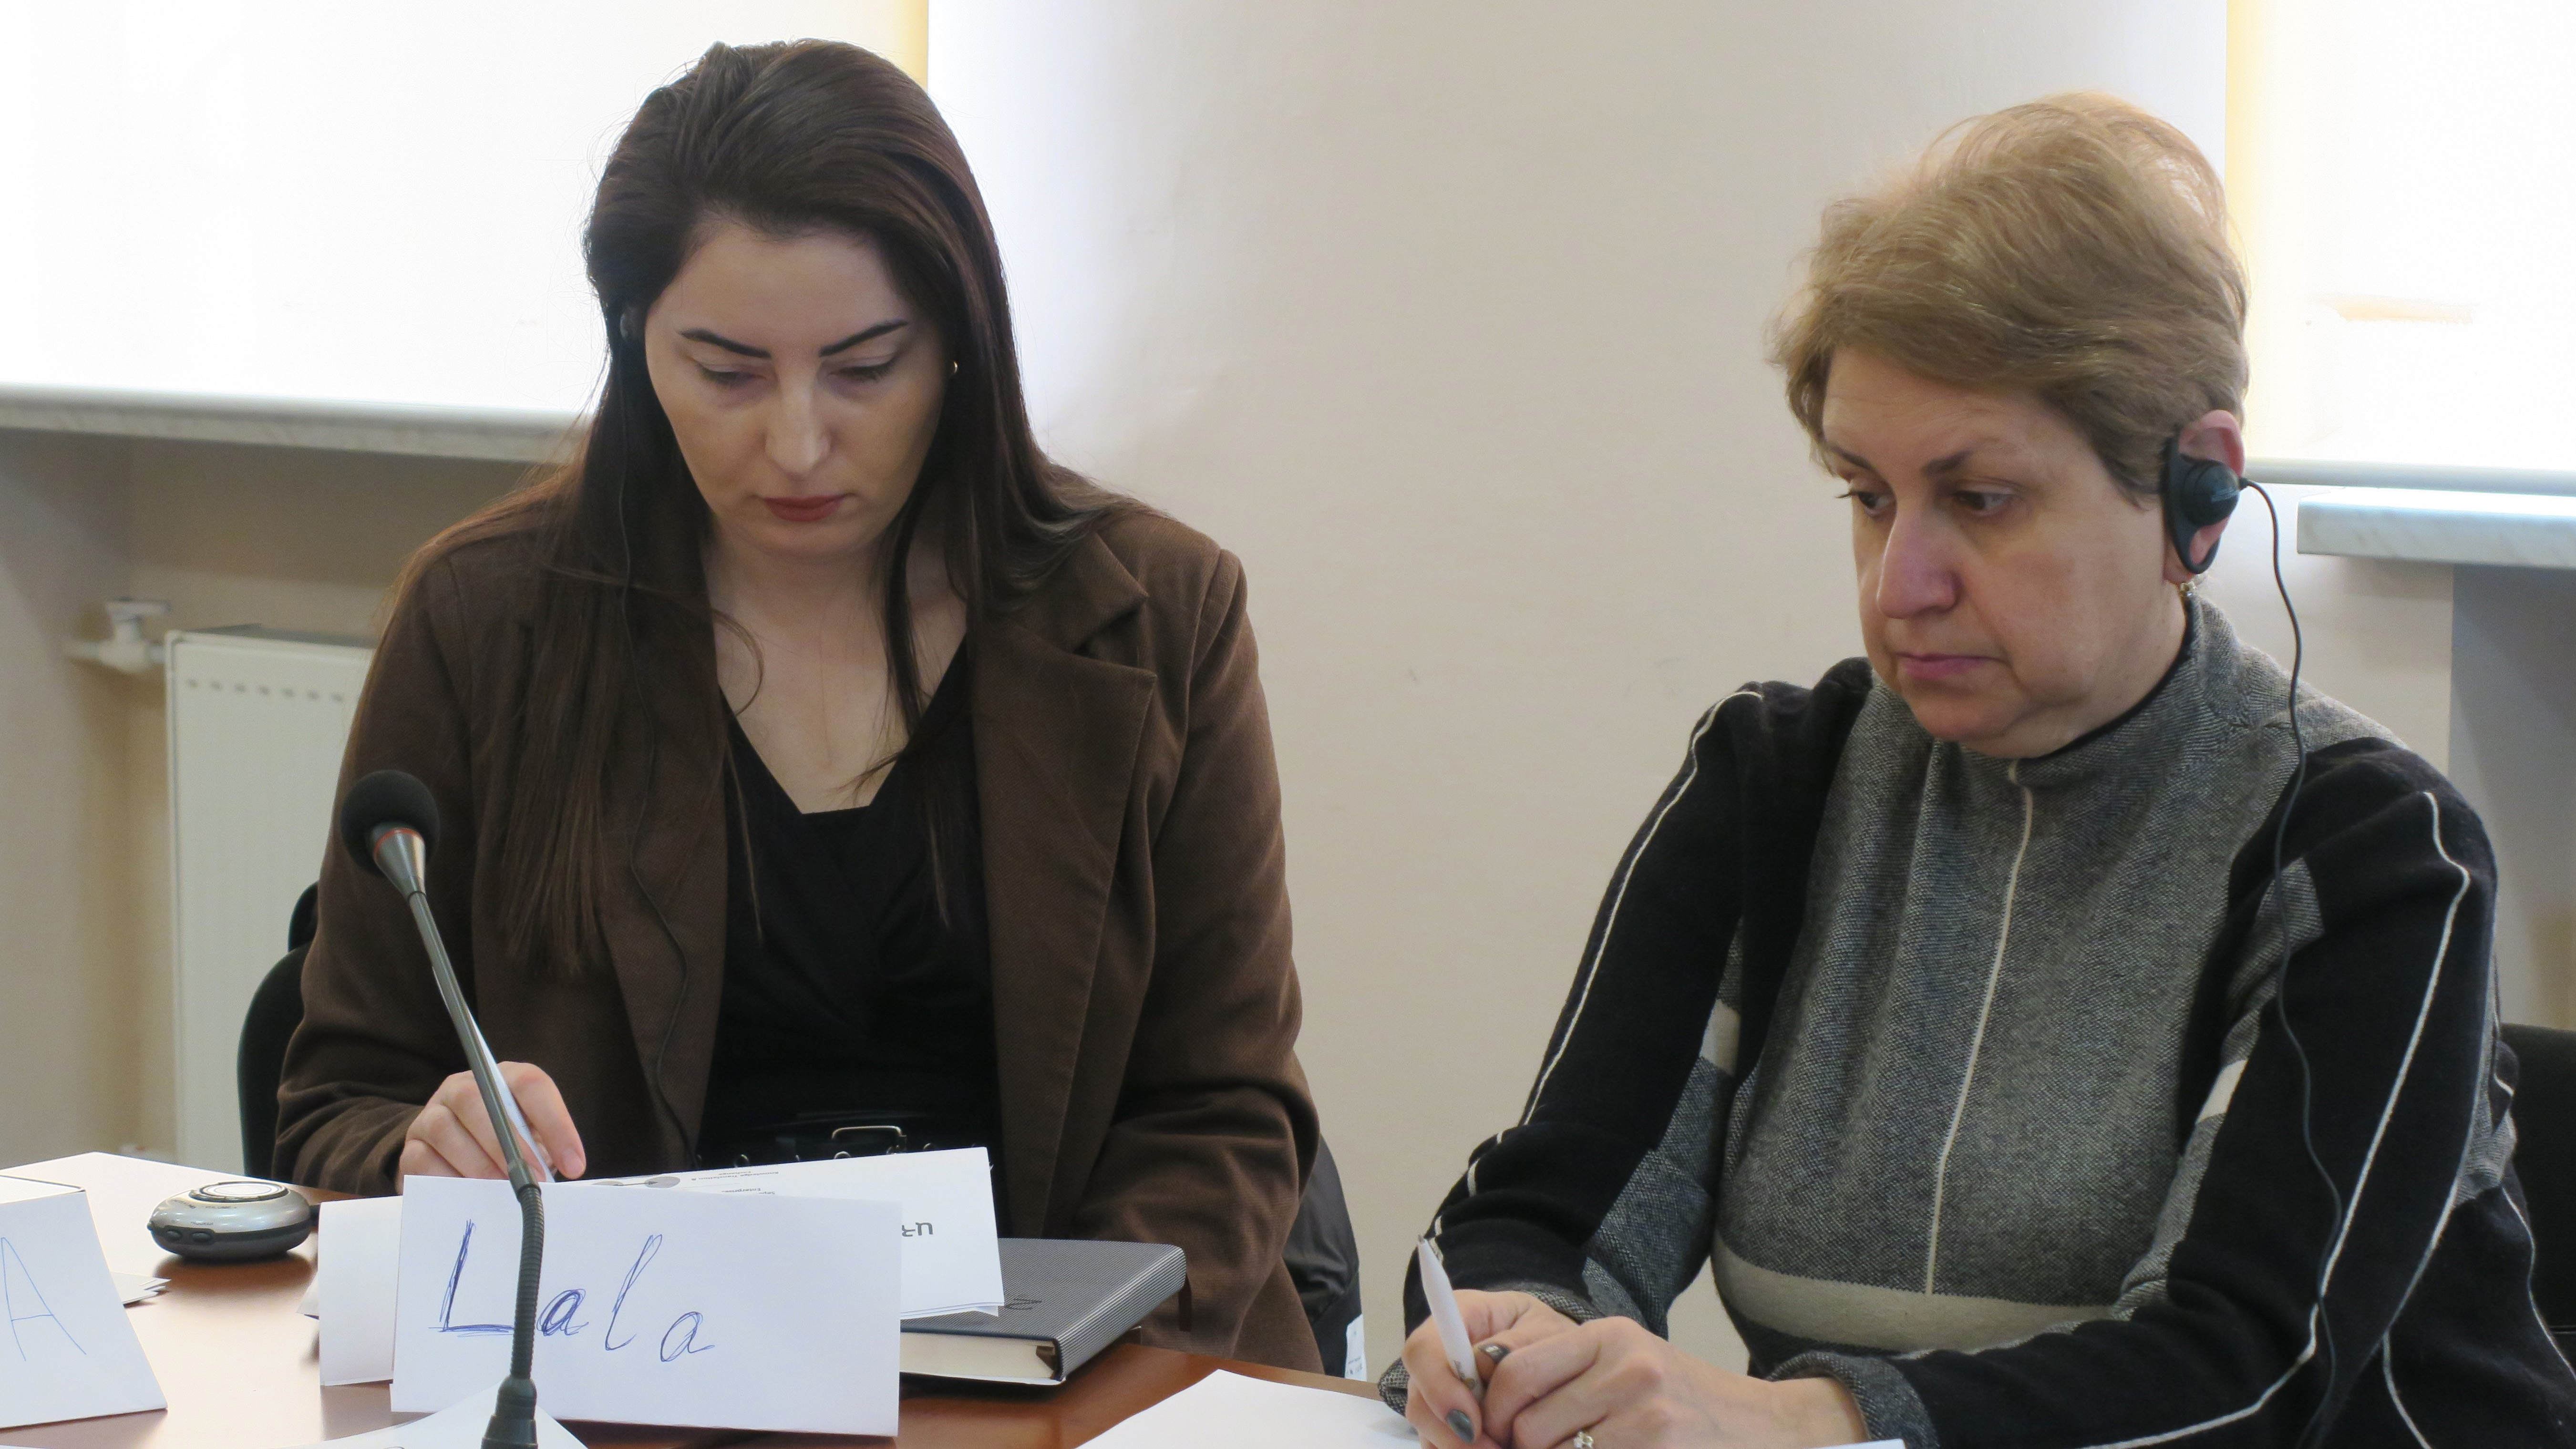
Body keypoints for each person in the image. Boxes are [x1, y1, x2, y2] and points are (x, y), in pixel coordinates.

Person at [1390, 94, 2576, 1447]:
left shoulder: (2366, 846)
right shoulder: (1774, 783)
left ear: (2195, 496)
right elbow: (1556, 1208)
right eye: (1868, 496)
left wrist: (1812, 1425)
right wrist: (1512, 1330)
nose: (1899, 585)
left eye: (1980, 499)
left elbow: (2243, 1368)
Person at [274, 40, 1322, 1371]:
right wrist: (426, 1151)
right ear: (634, 344)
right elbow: (337, 1100)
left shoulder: (1155, 616)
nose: (798, 441)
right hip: (642, 1370)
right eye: (725, 372)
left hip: (1073, 1378)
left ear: (959, 342)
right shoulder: (488, 622)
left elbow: (1222, 1111)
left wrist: (1057, 1367)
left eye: (865, 366)